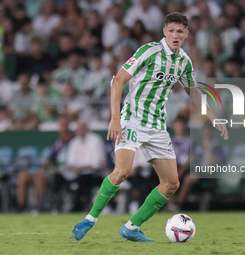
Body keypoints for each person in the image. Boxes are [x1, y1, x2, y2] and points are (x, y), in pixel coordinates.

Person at [72, 12, 228, 242]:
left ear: (187, 34)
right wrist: (115, 118)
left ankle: (131, 227)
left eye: (180, 31)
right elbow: (118, 80)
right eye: (171, 30)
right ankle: (90, 219)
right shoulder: (149, 51)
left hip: (157, 126)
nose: (175, 35)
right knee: (122, 172)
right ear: (164, 31)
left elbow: (192, 90)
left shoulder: (184, 61)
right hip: (132, 119)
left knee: (171, 184)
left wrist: (213, 118)